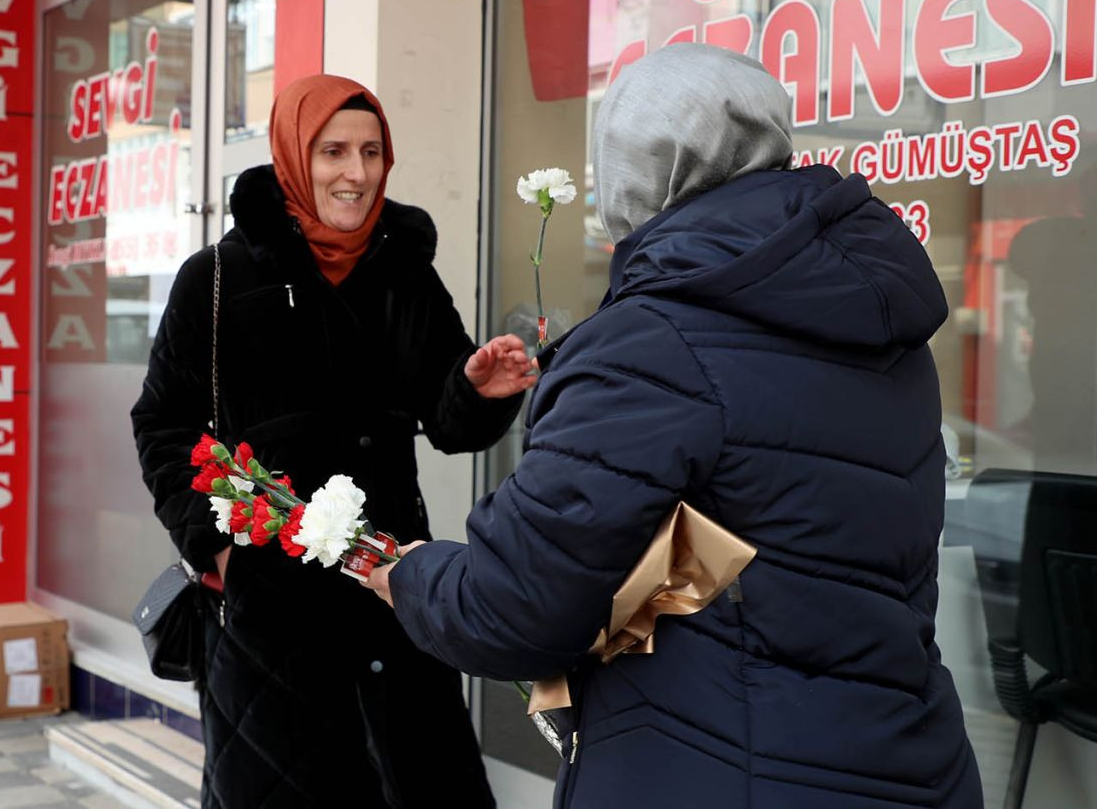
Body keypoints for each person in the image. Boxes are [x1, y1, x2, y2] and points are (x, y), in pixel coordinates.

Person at [366, 43, 983, 808]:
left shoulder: (652, 340)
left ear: (631, 173)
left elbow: (514, 606)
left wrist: (414, 576)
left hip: (722, 771)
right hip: (912, 763)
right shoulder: (881, 325)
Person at [132, 74, 533, 808]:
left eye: (372, 151)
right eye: (333, 151)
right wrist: (219, 547)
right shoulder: (217, 279)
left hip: (391, 592)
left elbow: (446, 422)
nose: (356, 172)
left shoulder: (402, 272)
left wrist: (476, 390)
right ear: (293, 154)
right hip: (267, 620)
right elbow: (162, 425)